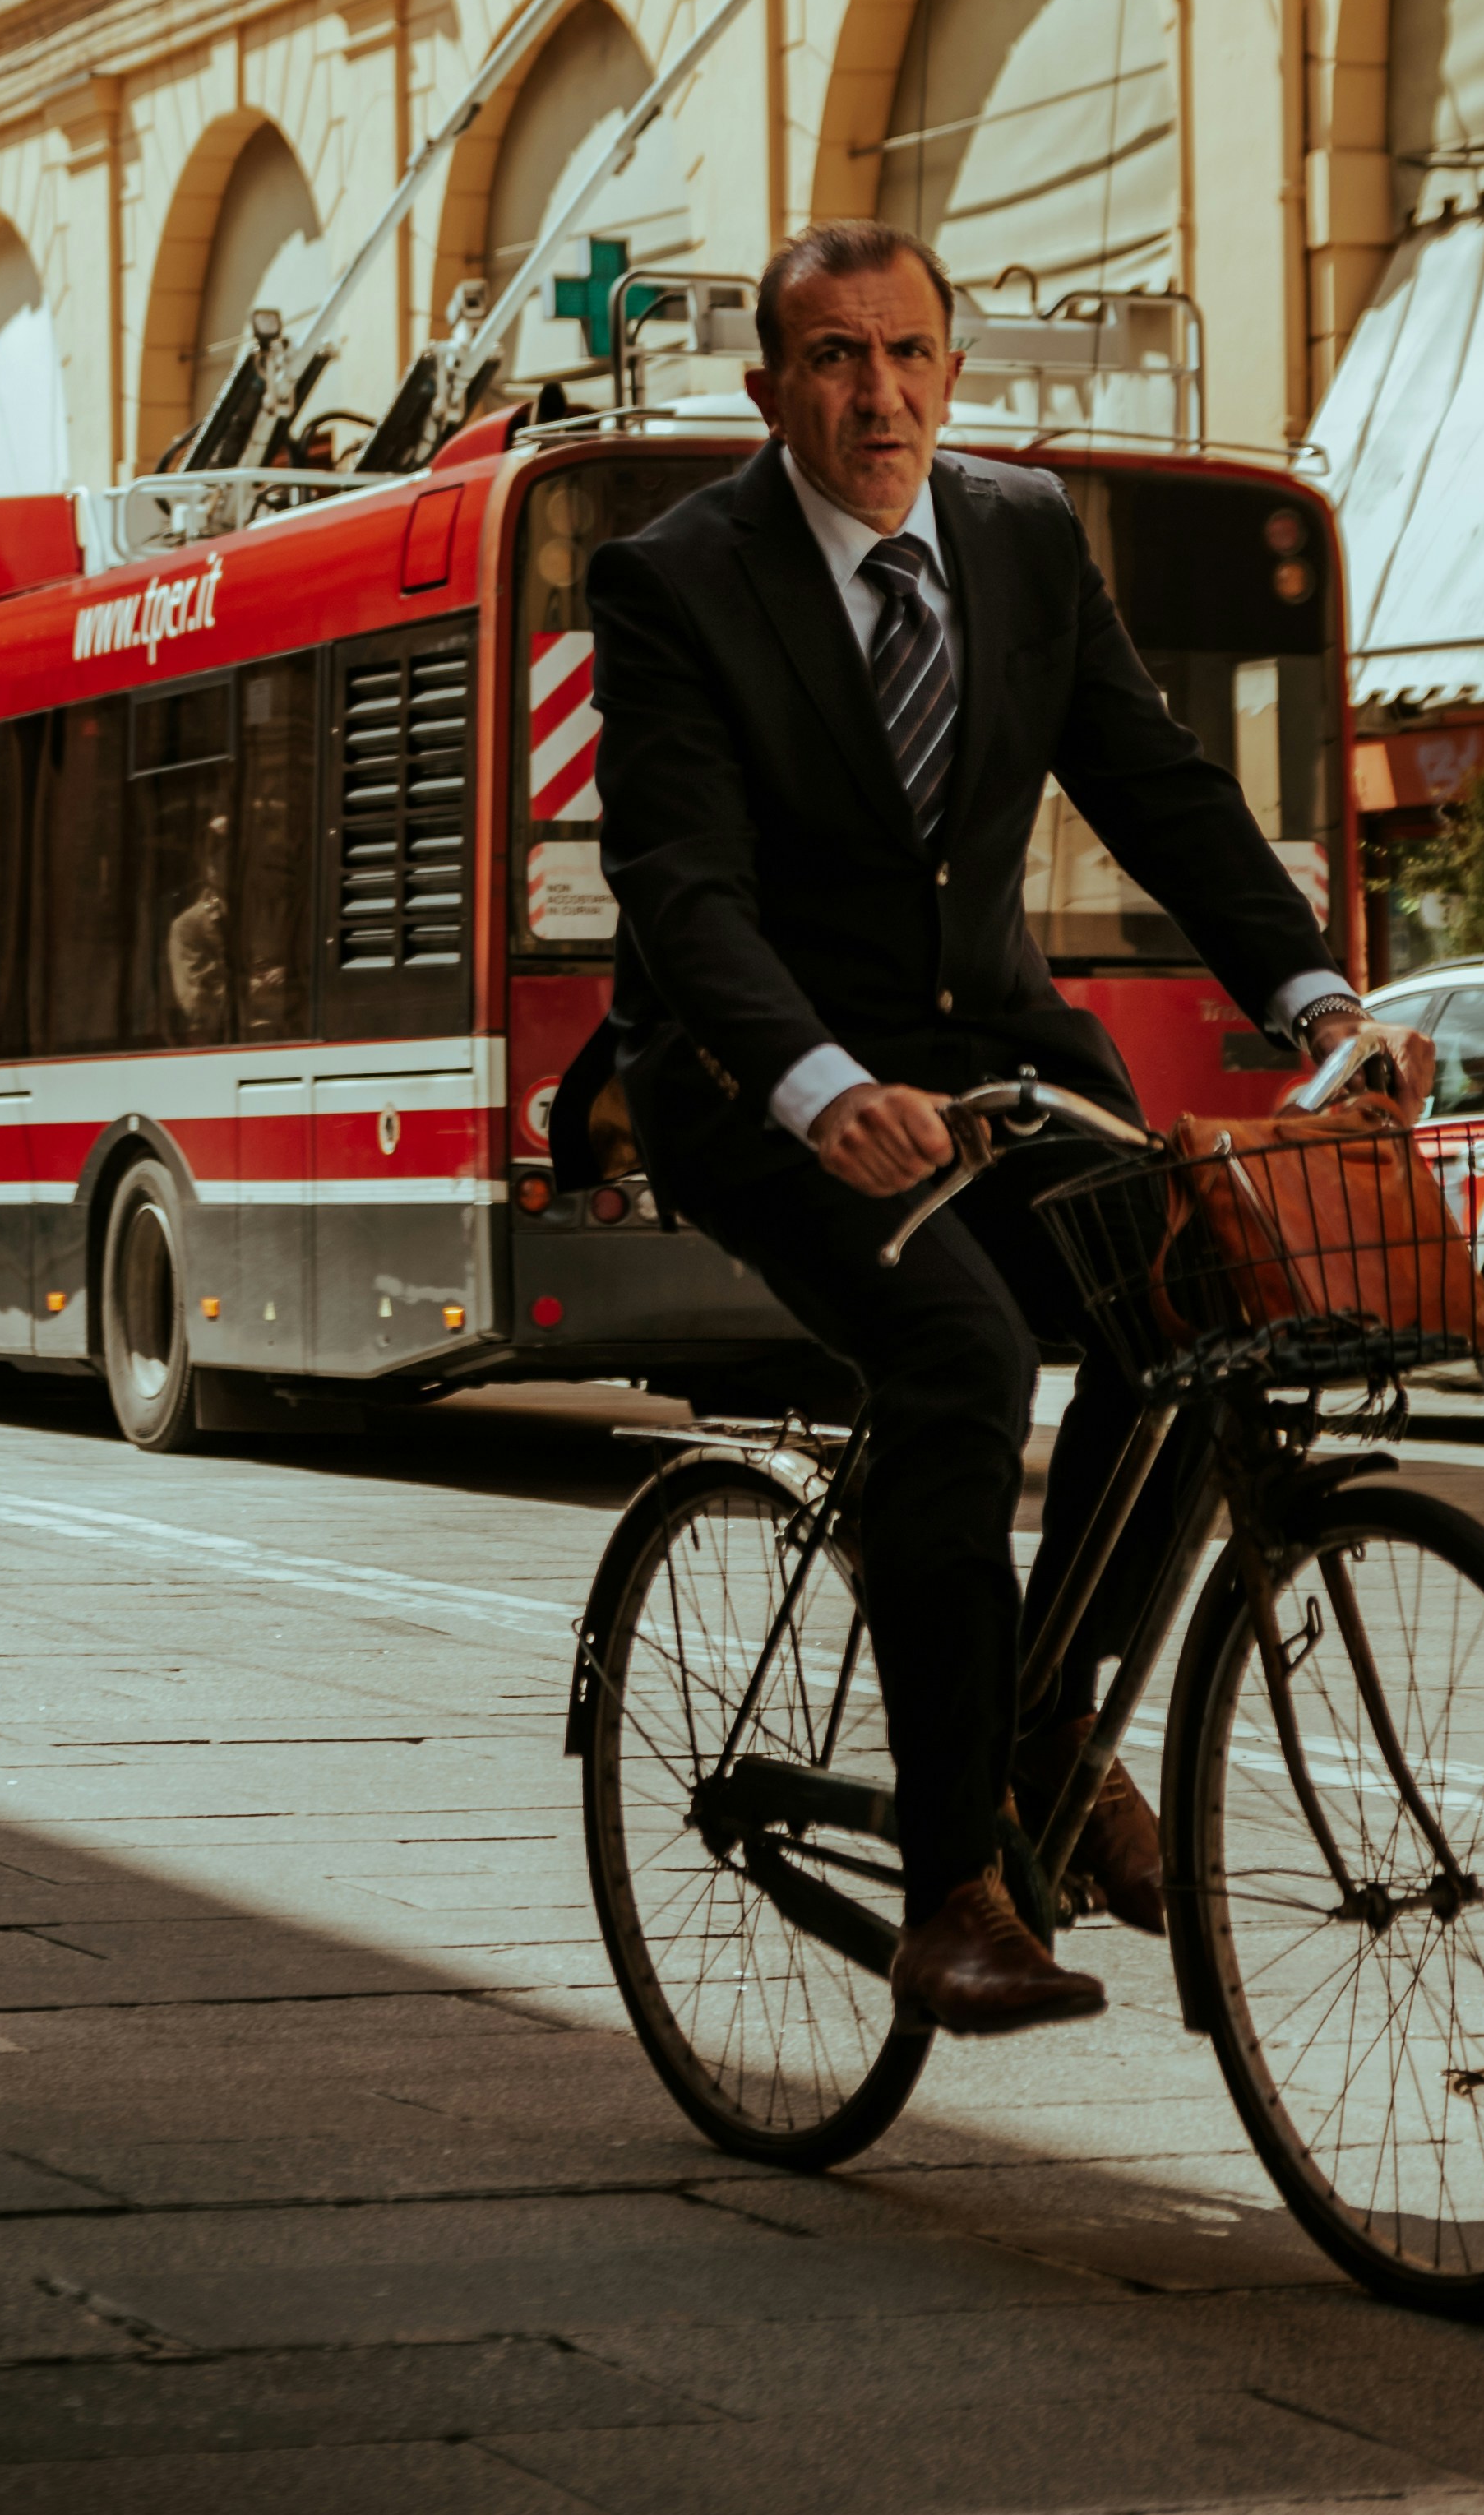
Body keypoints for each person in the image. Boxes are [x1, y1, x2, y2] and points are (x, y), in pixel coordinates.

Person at [588, 220, 1406, 2038]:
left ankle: (1042, 1719)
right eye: (829, 358)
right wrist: (817, 1086)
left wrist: (1316, 995)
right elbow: (682, 888)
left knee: (1192, 1282)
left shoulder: (1024, 534)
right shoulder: (673, 579)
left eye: (904, 354)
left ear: (953, 371)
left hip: (988, 1051)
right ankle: (952, 1883)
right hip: (755, 1080)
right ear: (766, 387)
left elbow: (1159, 786)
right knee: (957, 1349)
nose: (873, 392)